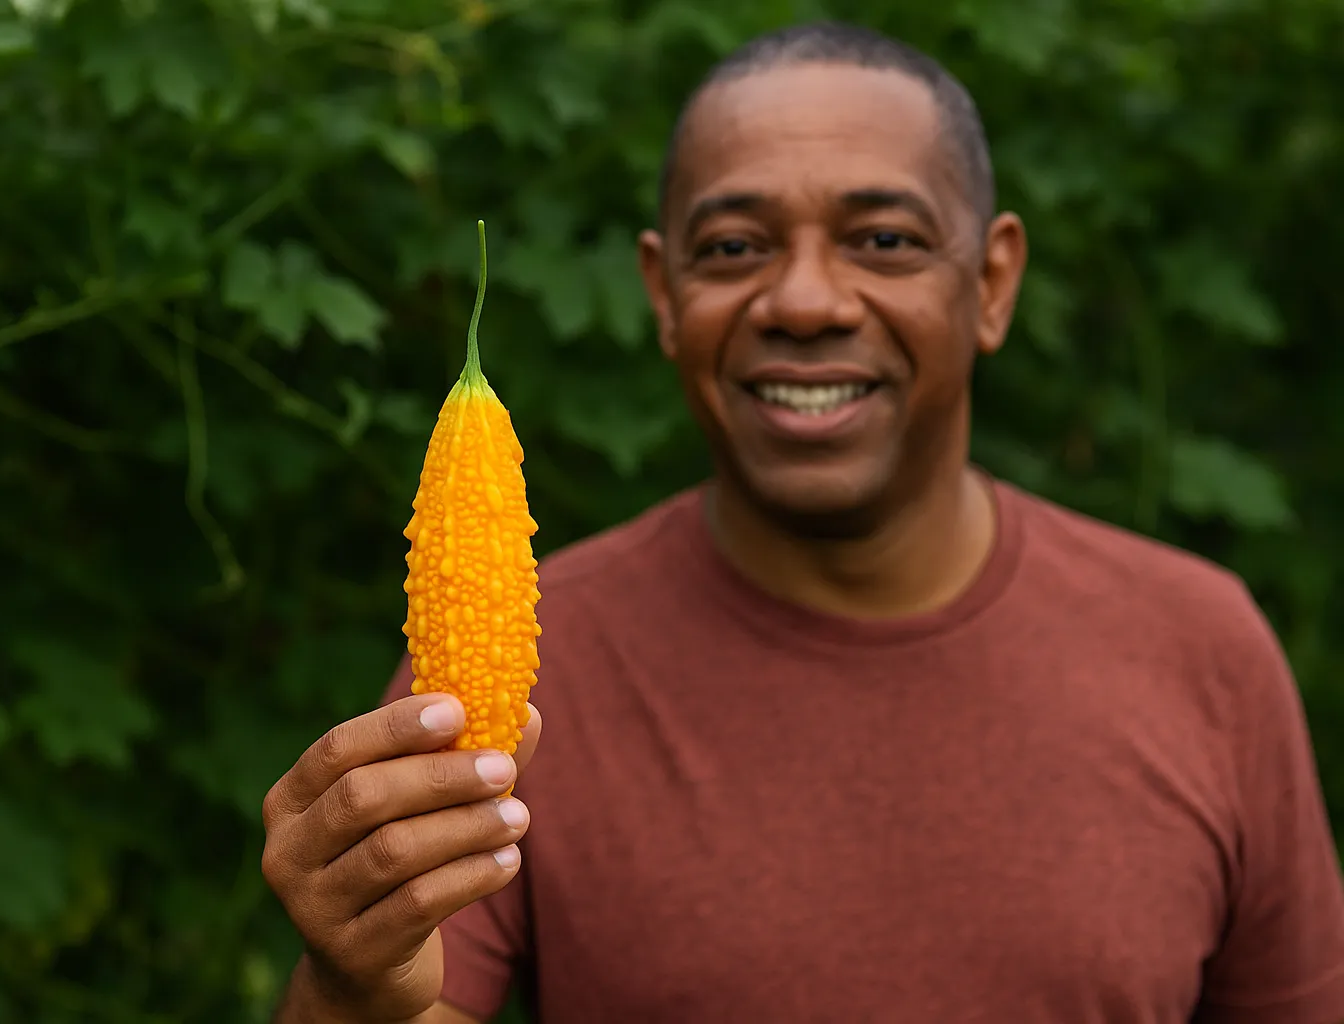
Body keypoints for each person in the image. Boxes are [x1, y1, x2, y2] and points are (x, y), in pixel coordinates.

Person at [260, 19, 1344, 1024]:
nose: (806, 301)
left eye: (882, 238)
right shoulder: (527, 672)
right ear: (663, 294)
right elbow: (417, 999)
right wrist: (355, 987)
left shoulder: (1205, 649)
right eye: (734, 248)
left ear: (995, 283)